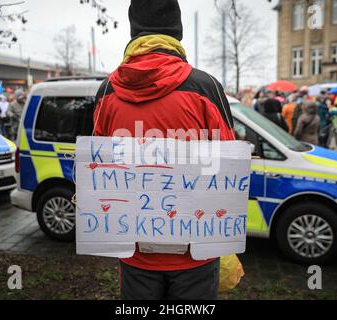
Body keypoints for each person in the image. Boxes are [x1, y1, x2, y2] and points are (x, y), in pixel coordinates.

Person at [92, 0, 235, 300]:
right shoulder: (205, 87)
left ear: (134, 31)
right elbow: (228, 165)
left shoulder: (107, 91)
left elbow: (97, 169)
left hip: (134, 248)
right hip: (197, 250)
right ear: (176, 31)